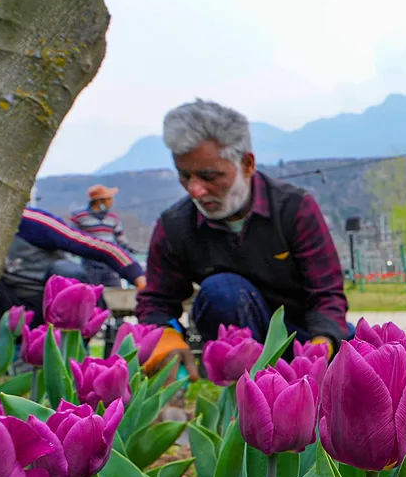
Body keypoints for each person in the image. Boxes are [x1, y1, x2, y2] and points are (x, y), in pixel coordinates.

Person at [137, 99, 348, 378]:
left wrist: (321, 346)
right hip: (236, 340)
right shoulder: (176, 225)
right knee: (222, 291)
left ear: (247, 164)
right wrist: (164, 335)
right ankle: (247, 388)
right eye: (184, 175)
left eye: (209, 176)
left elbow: (326, 294)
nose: (195, 189)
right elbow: (156, 302)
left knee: (364, 352)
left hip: (303, 335)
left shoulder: (293, 209)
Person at [0, 206, 146, 347]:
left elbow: (102, 249)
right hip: (8, 307)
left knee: (68, 272)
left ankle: (72, 346)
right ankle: (10, 360)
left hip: (50, 301)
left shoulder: (31, 223)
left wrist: (139, 279)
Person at [69, 184, 135, 287]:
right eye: (109, 199)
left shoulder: (113, 218)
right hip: (90, 265)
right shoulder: (79, 217)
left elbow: (120, 239)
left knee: (114, 294)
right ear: (100, 201)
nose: (112, 202)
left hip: (110, 265)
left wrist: (130, 250)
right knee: (91, 293)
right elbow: (71, 238)